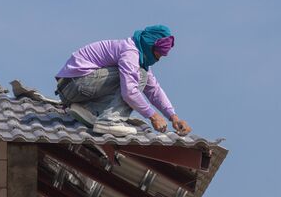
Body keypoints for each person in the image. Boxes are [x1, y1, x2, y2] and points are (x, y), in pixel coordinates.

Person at [55, 25, 191, 137]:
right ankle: (110, 120)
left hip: (72, 86)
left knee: (139, 75)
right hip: (75, 84)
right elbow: (130, 92)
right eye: (158, 54)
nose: (159, 59)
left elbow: (154, 90)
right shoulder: (130, 53)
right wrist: (153, 116)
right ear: (150, 45)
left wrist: (173, 117)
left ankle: (88, 110)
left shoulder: (136, 56)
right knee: (138, 76)